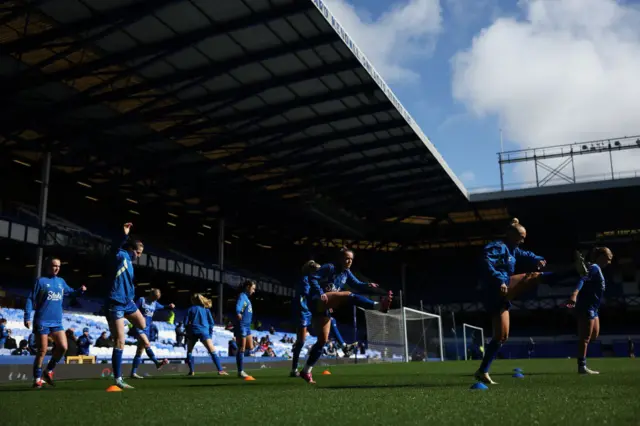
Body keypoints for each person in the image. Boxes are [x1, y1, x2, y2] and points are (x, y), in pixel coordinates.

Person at [475, 218, 585, 385]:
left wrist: (537, 259)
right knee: (534, 276)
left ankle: (482, 371)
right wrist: (500, 280)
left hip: (500, 292)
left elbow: (526, 254)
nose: (523, 240)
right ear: (510, 234)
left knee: (502, 336)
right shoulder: (498, 246)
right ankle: (573, 271)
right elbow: (485, 261)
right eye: (521, 236)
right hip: (495, 288)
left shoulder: (513, 249)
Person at [298, 249, 393, 384]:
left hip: (325, 306)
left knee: (322, 340)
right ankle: (377, 306)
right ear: (340, 258)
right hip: (317, 300)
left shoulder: (346, 273)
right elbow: (313, 278)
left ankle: (306, 371)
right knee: (348, 295)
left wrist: (367, 285)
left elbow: (357, 284)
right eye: (347, 258)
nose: (349, 261)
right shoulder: (329, 267)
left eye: (351, 259)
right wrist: (320, 292)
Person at [23, 257, 86, 388]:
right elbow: (30, 299)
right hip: (42, 321)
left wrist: (80, 291)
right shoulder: (40, 281)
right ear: (48, 267)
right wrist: (27, 316)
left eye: (58, 266)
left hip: (57, 322)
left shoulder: (61, 282)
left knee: (63, 347)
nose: (56, 268)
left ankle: (49, 370)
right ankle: (36, 379)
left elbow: (71, 293)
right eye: (54, 265)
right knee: (42, 350)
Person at [106, 222, 146, 390]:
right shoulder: (121, 255)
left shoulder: (129, 261)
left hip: (128, 302)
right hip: (115, 302)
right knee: (120, 341)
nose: (139, 256)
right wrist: (124, 235)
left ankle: (116, 330)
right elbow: (113, 248)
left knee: (142, 324)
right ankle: (118, 378)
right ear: (131, 249)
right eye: (138, 252)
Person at [566, 247, 613, 375]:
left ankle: (582, 359)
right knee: (585, 338)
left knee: (594, 335)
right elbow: (582, 280)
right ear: (601, 256)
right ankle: (582, 366)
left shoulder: (596, 269)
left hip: (594, 308)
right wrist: (574, 294)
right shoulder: (594, 268)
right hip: (587, 307)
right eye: (608, 259)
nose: (609, 262)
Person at [129, 288, 174, 379]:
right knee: (146, 344)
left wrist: (170, 306)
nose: (155, 300)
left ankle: (133, 373)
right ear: (151, 295)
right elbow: (133, 310)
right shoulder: (142, 300)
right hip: (139, 326)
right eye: (154, 297)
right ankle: (157, 362)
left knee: (140, 351)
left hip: (147, 329)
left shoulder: (155, 303)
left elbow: (163, 307)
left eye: (157, 298)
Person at [184, 293, 228, 377]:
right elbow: (211, 323)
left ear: (193, 301)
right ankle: (220, 370)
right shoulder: (206, 310)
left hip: (193, 331)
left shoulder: (190, 309)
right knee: (212, 352)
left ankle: (191, 371)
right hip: (204, 331)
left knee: (189, 351)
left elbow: (185, 323)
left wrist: (188, 331)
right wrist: (210, 334)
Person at [290, 261, 321, 377]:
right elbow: (305, 297)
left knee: (303, 341)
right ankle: (294, 369)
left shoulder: (311, 280)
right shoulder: (304, 280)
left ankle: (296, 368)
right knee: (301, 341)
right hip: (303, 312)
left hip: (308, 312)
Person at [235, 280, 257, 380]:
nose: (254, 291)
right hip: (242, 325)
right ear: (248, 287)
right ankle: (240, 371)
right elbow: (239, 306)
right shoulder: (242, 296)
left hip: (247, 327)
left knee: (251, 347)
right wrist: (238, 312)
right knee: (242, 348)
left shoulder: (247, 299)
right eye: (253, 288)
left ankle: (240, 359)